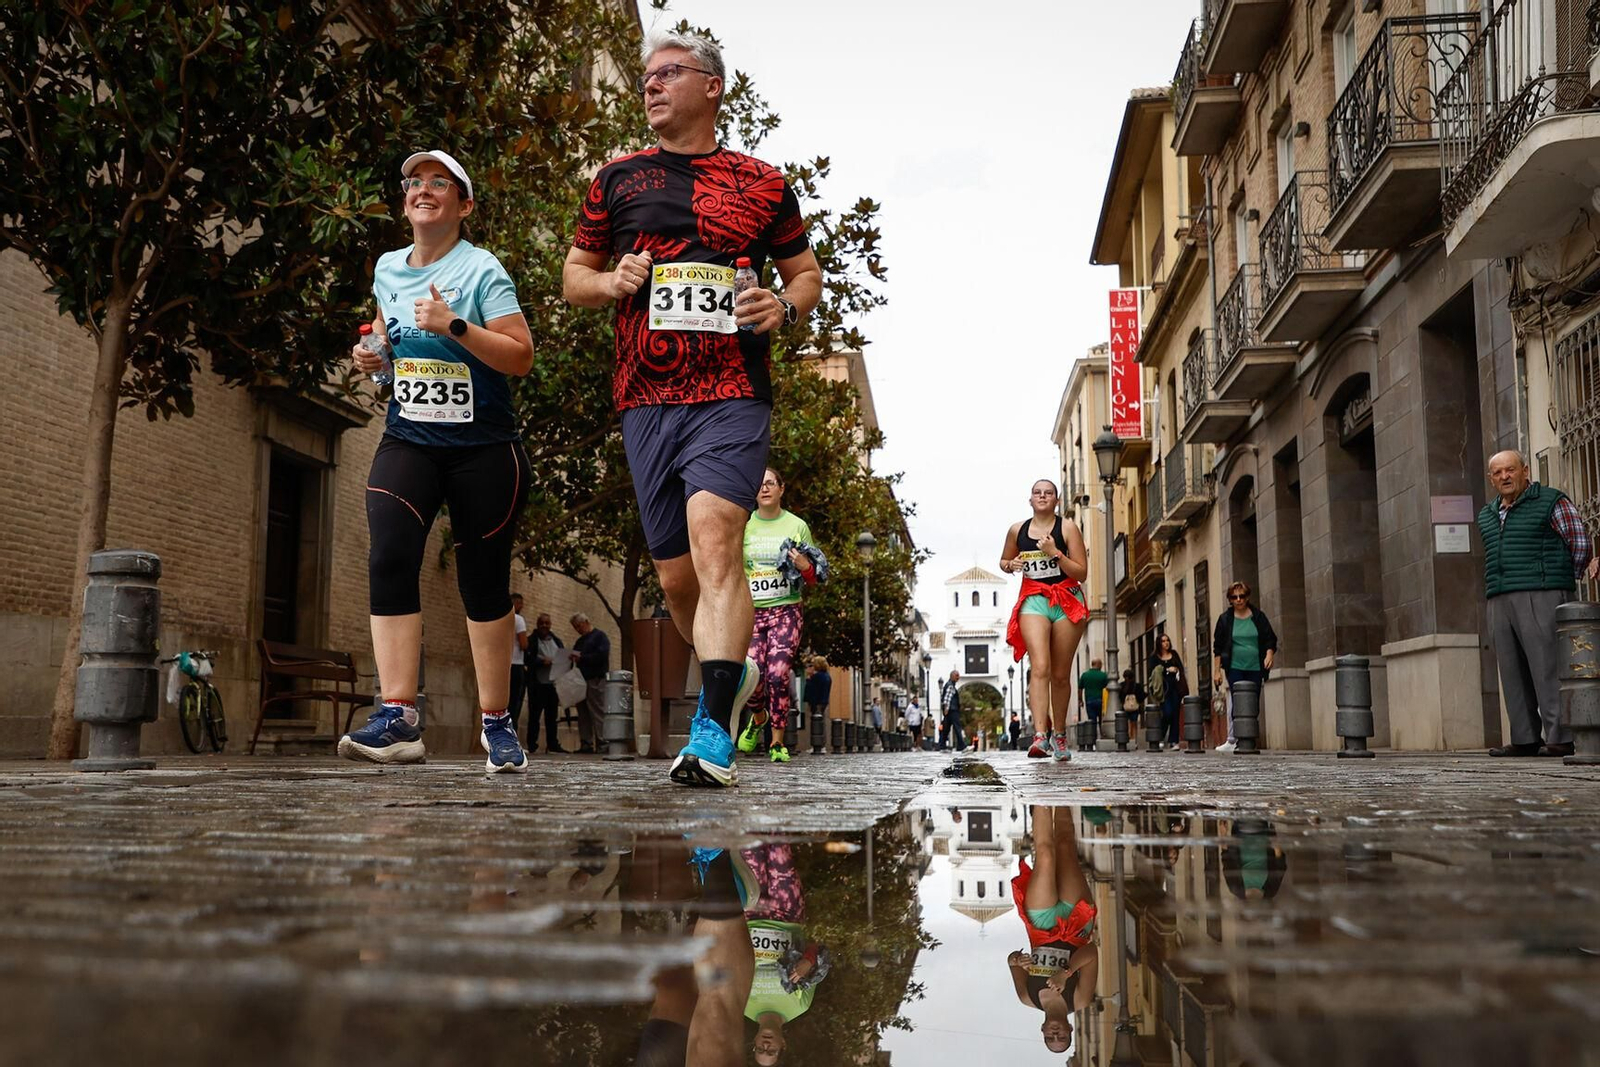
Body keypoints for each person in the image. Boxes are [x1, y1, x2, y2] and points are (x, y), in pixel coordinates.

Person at [563, 29, 822, 789]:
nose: (650, 86)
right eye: (645, 77)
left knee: (717, 542)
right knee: (678, 580)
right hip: (645, 394)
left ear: (711, 86)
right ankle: (727, 674)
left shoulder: (763, 183)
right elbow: (573, 274)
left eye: (667, 74)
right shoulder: (616, 179)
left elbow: (804, 275)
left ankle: (710, 729)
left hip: (732, 391)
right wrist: (610, 282)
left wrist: (785, 307)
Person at [341, 149, 534, 774]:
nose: (423, 190)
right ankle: (397, 716)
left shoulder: (482, 269)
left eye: (439, 183)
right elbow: (385, 334)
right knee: (390, 552)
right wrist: (373, 357)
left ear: (463, 204)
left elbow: (520, 356)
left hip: (484, 448)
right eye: (414, 182)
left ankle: (496, 722)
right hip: (411, 438)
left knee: (483, 584)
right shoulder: (388, 268)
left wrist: (455, 325)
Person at [1478, 450, 1598, 757]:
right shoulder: (1487, 514)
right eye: (1498, 473)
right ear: (1491, 479)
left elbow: (1579, 542)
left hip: (1542, 592)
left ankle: (1561, 737)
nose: (1505, 476)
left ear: (1524, 470)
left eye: (1510, 470)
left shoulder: (1551, 501)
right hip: (1499, 597)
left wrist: (1560, 578)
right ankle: (1525, 737)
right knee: (1511, 670)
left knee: (1547, 667)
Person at [1000, 480, 1090, 762]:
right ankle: (1040, 736)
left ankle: (1059, 736)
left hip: (1066, 600)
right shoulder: (1018, 530)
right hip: (1034, 599)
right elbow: (1004, 560)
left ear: (1056, 500)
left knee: (1061, 674)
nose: (1042, 496)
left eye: (1048, 493)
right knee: (1039, 666)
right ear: (1030, 500)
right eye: (1037, 493)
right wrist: (1010, 565)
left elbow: (1081, 572)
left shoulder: (1067, 528)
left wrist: (1056, 554)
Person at [736, 468, 821, 765]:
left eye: (770, 483)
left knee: (777, 674)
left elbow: (814, 576)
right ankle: (758, 717)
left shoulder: (797, 526)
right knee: (751, 676)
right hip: (752, 611)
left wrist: (803, 565)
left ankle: (776, 742)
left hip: (787, 610)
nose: (765, 488)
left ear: (782, 489)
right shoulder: (744, 527)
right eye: (759, 484)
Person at [1006, 805, 1099, 1053]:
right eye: (1061, 1038)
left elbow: (1012, 962)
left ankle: (1041, 796)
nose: (1055, 1035)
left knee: (1046, 855)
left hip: (1042, 928)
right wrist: (1065, 973)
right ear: (1070, 1030)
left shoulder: (1028, 997)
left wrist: (1018, 959)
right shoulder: (1079, 1000)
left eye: (1050, 1039)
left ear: (1043, 1032)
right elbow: (1092, 952)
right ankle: (1062, 791)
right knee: (1066, 848)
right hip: (1076, 926)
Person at [741, 842, 831, 1065]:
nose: (766, 1045)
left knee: (748, 844)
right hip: (788, 912)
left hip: (749, 912)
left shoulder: (742, 1005)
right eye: (771, 1051)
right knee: (777, 846)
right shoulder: (799, 1006)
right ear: (783, 1044)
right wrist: (808, 962)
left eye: (760, 1049)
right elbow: (819, 950)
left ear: (754, 1040)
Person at [1210, 583, 1277, 754]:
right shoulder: (1225, 619)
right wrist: (1217, 671)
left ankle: (1249, 736)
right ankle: (1236, 738)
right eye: (1234, 597)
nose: (1238, 600)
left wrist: (1269, 654)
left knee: (1253, 701)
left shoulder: (1258, 616)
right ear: (1230, 600)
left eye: (1241, 596)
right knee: (1237, 700)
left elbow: (1270, 638)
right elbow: (1218, 647)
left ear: (1247, 597)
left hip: (1255, 666)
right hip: (1234, 666)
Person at [569, 613, 611, 754]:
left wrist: (583, 657)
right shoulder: (580, 641)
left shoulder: (600, 637)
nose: (578, 629)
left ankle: (603, 742)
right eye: (575, 627)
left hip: (596, 679)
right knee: (583, 713)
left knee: (597, 712)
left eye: (579, 626)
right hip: (581, 681)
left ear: (586, 622)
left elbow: (602, 655)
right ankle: (586, 743)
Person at [528, 613, 567, 754]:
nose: (544, 625)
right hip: (537, 684)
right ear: (538, 624)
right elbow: (528, 658)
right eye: (542, 623)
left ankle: (553, 744)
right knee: (534, 716)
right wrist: (541, 661)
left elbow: (563, 658)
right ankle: (532, 745)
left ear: (550, 625)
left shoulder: (557, 641)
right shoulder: (532, 640)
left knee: (552, 717)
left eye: (547, 623)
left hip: (553, 685)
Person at [1149, 633, 1187, 750]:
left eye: (1167, 640)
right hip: (1163, 688)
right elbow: (1152, 672)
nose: (1166, 643)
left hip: (1175, 687)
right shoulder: (1155, 657)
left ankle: (1173, 741)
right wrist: (1165, 669)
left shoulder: (1174, 654)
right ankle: (1160, 736)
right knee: (1167, 713)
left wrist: (1175, 669)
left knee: (1175, 713)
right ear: (1159, 643)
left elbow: (1181, 668)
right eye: (1163, 641)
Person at [508, 593, 529, 736]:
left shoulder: (500, 618)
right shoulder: (518, 619)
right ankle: (512, 734)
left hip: (503, 665)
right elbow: (524, 644)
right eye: (520, 603)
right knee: (515, 702)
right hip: (516, 664)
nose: (522, 606)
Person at [1077, 657, 1109, 735]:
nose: (1101, 666)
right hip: (1101, 701)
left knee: (1092, 721)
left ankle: (1093, 738)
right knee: (1102, 719)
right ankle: (1102, 734)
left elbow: (1080, 689)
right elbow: (1108, 688)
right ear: (1098, 664)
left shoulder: (1085, 675)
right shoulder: (1103, 675)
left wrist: (1080, 700)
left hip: (1089, 700)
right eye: (1101, 664)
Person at [803, 656, 832, 739]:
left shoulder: (817, 676)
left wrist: (809, 677)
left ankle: (817, 744)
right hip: (823, 701)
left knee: (816, 724)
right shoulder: (827, 676)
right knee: (821, 722)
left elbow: (810, 689)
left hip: (816, 702)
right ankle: (821, 744)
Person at [939, 670, 967, 752]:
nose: (958, 677)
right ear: (952, 676)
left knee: (946, 728)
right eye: (957, 675)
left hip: (950, 710)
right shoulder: (950, 686)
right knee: (957, 727)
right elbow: (947, 698)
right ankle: (962, 746)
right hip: (952, 710)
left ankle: (942, 746)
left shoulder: (950, 685)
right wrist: (946, 708)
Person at [1120, 668, 1144, 732]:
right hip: (1134, 706)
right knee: (1134, 721)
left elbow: (1120, 697)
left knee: (1126, 721)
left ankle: (1128, 735)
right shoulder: (1137, 686)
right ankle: (1134, 735)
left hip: (1125, 706)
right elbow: (1141, 697)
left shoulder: (1121, 685)